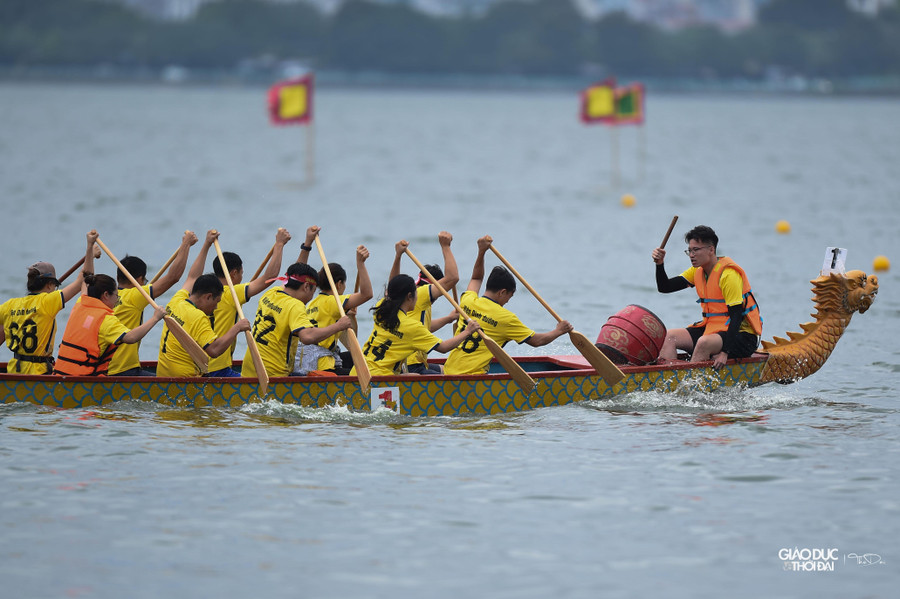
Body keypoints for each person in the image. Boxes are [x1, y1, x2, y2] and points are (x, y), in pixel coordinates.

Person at [443, 235, 573, 376]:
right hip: (473, 377)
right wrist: (559, 331)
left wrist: (481, 252)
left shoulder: (467, 300)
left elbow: (476, 278)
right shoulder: (506, 318)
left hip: (449, 371)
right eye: (509, 296)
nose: (508, 301)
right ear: (502, 292)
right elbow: (537, 341)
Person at [651, 224, 762, 369]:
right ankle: (669, 382)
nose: (691, 255)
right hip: (712, 329)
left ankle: (690, 386)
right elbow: (665, 287)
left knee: (704, 343)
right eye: (689, 250)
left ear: (711, 249)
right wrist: (660, 265)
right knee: (669, 336)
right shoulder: (697, 271)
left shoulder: (728, 275)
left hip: (741, 336)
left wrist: (724, 352)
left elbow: (736, 316)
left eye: (696, 250)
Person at [0, 230, 99, 375]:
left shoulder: (8, 306)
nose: (55, 289)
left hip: (14, 370)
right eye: (55, 286)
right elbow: (85, 279)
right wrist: (89, 248)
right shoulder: (48, 302)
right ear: (48, 286)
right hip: (38, 372)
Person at [199, 228, 292, 377]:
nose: (242, 277)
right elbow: (270, 276)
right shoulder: (231, 293)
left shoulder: (202, 292)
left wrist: (206, 244)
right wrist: (279, 244)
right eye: (241, 273)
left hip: (200, 364)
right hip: (217, 368)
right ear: (233, 273)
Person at [351, 274, 480, 377]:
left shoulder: (380, 309)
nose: (418, 297)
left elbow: (393, 282)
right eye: (416, 293)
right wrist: (468, 331)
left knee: (410, 375)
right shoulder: (411, 327)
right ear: (409, 296)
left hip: (358, 371)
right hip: (379, 380)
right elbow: (444, 348)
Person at [241, 262, 354, 379]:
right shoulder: (295, 306)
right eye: (313, 291)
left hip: (249, 369)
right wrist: (339, 325)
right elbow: (307, 337)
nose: (311, 297)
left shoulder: (271, 293)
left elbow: (296, 272)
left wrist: (306, 246)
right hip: (272, 375)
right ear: (306, 287)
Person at [108, 231, 198, 376]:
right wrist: (186, 244)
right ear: (139, 279)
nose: (145, 284)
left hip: (104, 368)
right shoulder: (135, 296)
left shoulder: (107, 295)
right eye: (144, 281)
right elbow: (173, 278)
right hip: (124, 370)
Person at [54, 274, 166, 376]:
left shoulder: (80, 305)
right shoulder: (105, 319)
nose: (117, 300)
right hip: (85, 380)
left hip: (61, 374)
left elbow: (85, 277)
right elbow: (131, 337)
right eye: (116, 296)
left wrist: (90, 252)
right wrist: (155, 318)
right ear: (106, 295)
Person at [295, 240, 373, 375]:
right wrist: (360, 263)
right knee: (367, 370)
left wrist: (350, 317)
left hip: (309, 360)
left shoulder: (313, 303)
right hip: (322, 364)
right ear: (338, 284)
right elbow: (367, 294)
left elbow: (350, 344)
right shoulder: (334, 302)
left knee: (356, 356)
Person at [388, 232, 460, 374]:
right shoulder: (421, 294)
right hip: (411, 364)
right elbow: (452, 278)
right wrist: (445, 246)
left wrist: (449, 319)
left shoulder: (412, 296)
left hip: (416, 361)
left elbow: (424, 327)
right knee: (450, 377)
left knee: (449, 370)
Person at [156, 272, 250, 378]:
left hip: (163, 376)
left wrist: (202, 254)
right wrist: (237, 327)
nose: (216, 307)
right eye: (217, 302)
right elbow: (214, 350)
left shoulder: (176, 301)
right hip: (185, 381)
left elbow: (192, 276)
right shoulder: (198, 316)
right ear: (208, 297)